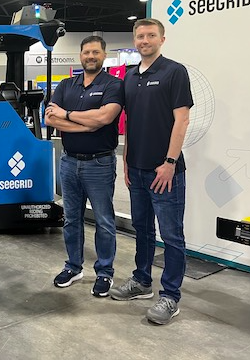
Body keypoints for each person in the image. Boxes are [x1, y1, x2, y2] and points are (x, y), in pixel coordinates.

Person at [109, 18, 193, 326]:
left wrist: (170, 162)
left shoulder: (174, 72)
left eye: (151, 35)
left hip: (165, 171)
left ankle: (170, 296)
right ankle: (142, 281)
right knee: (142, 230)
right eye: (140, 36)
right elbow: (129, 121)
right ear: (135, 40)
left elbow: (182, 120)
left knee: (171, 235)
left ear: (162, 39)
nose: (145, 40)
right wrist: (127, 159)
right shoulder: (130, 77)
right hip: (137, 168)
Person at [45, 35, 124, 298]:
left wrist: (67, 115)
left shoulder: (113, 84)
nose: (91, 56)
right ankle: (73, 266)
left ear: (103, 55)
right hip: (69, 162)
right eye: (86, 52)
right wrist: (86, 125)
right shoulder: (66, 85)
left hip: (99, 163)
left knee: (104, 221)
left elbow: (105, 117)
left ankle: (104, 272)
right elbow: (50, 119)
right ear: (80, 56)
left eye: (95, 52)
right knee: (71, 219)